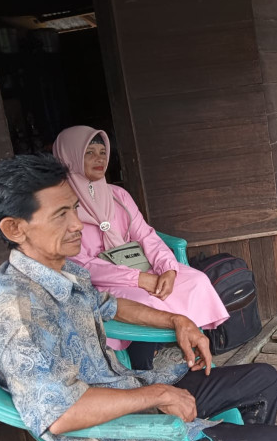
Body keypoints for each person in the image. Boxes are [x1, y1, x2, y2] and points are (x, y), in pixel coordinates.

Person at [0, 153, 277, 441]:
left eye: (74, 209)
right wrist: (158, 395)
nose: (77, 224)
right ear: (14, 229)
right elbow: (62, 414)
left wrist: (176, 320)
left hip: (130, 395)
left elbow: (110, 305)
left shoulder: (64, 272)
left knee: (262, 381)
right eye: (61, 214)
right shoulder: (15, 311)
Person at [52, 126, 229, 369]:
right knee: (147, 301)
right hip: (101, 281)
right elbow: (80, 264)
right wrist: (137, 279)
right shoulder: (61, 206)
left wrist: (168, 269)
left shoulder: (118, 195)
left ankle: (194, 352)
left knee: (195, 281)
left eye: (103, 153)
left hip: (137, 266)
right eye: (89, 153)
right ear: (69, 156)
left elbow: (145, 235)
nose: (99, 159)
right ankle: (143, 365)